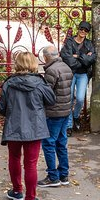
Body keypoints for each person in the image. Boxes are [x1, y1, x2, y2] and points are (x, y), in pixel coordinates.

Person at [0, 51, 55, 200]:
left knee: (14, 158)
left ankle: (17, 191)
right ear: (33, 64)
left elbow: (2, 108)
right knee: (31, 164)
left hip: (14, 127)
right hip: (34, 127)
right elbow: (51, 100)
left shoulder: (9, 83)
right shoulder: (39, 83)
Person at [38, 45, 73, 188]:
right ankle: (63, 174)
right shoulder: (65, 66)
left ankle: (53, 176)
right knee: (61, 142)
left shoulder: (52, 70)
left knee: (48, 143)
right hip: (65, 110)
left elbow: (47, 93)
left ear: (46, 57)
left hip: (54, 112)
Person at [60, 20, 97, 134]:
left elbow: (92, 60)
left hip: (83, 74)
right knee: (69, 98)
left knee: (80, 98)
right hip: (70, 73)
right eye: (82, 29)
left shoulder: (89, 44)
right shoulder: (69, 42)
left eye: (86, 30)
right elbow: (67, 59)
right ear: (78, 29)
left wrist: (78, 56)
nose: (83, 31)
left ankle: (76, 116)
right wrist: (84, 58)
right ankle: (69, 125)